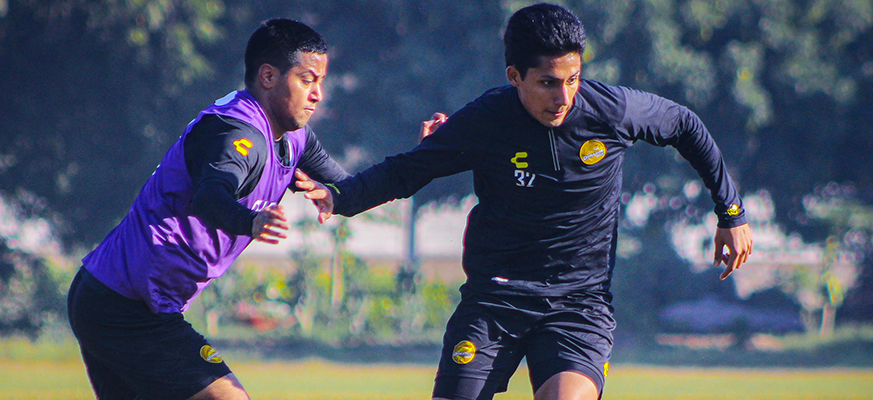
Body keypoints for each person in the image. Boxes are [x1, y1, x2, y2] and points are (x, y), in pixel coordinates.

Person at [297, 4, 754, 400]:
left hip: (579, 303)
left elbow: (685, 125)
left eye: (573, 79)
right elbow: (407, 170)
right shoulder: (485, 120)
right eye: (548, 83)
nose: (563, 97)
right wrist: (341, 196)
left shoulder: (610, 111)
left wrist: (730, 212)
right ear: (514, 76)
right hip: (495, 299)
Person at [67, 19, 348, 400]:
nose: (317, 94)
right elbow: (211, 196)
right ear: (268, 76)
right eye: (307, 79)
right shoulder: (235, 132)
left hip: (115, 299)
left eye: (320, 82)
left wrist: (428, 155)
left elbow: (350, 189)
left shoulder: (297, 138)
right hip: (124, 305)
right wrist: (251, 222)